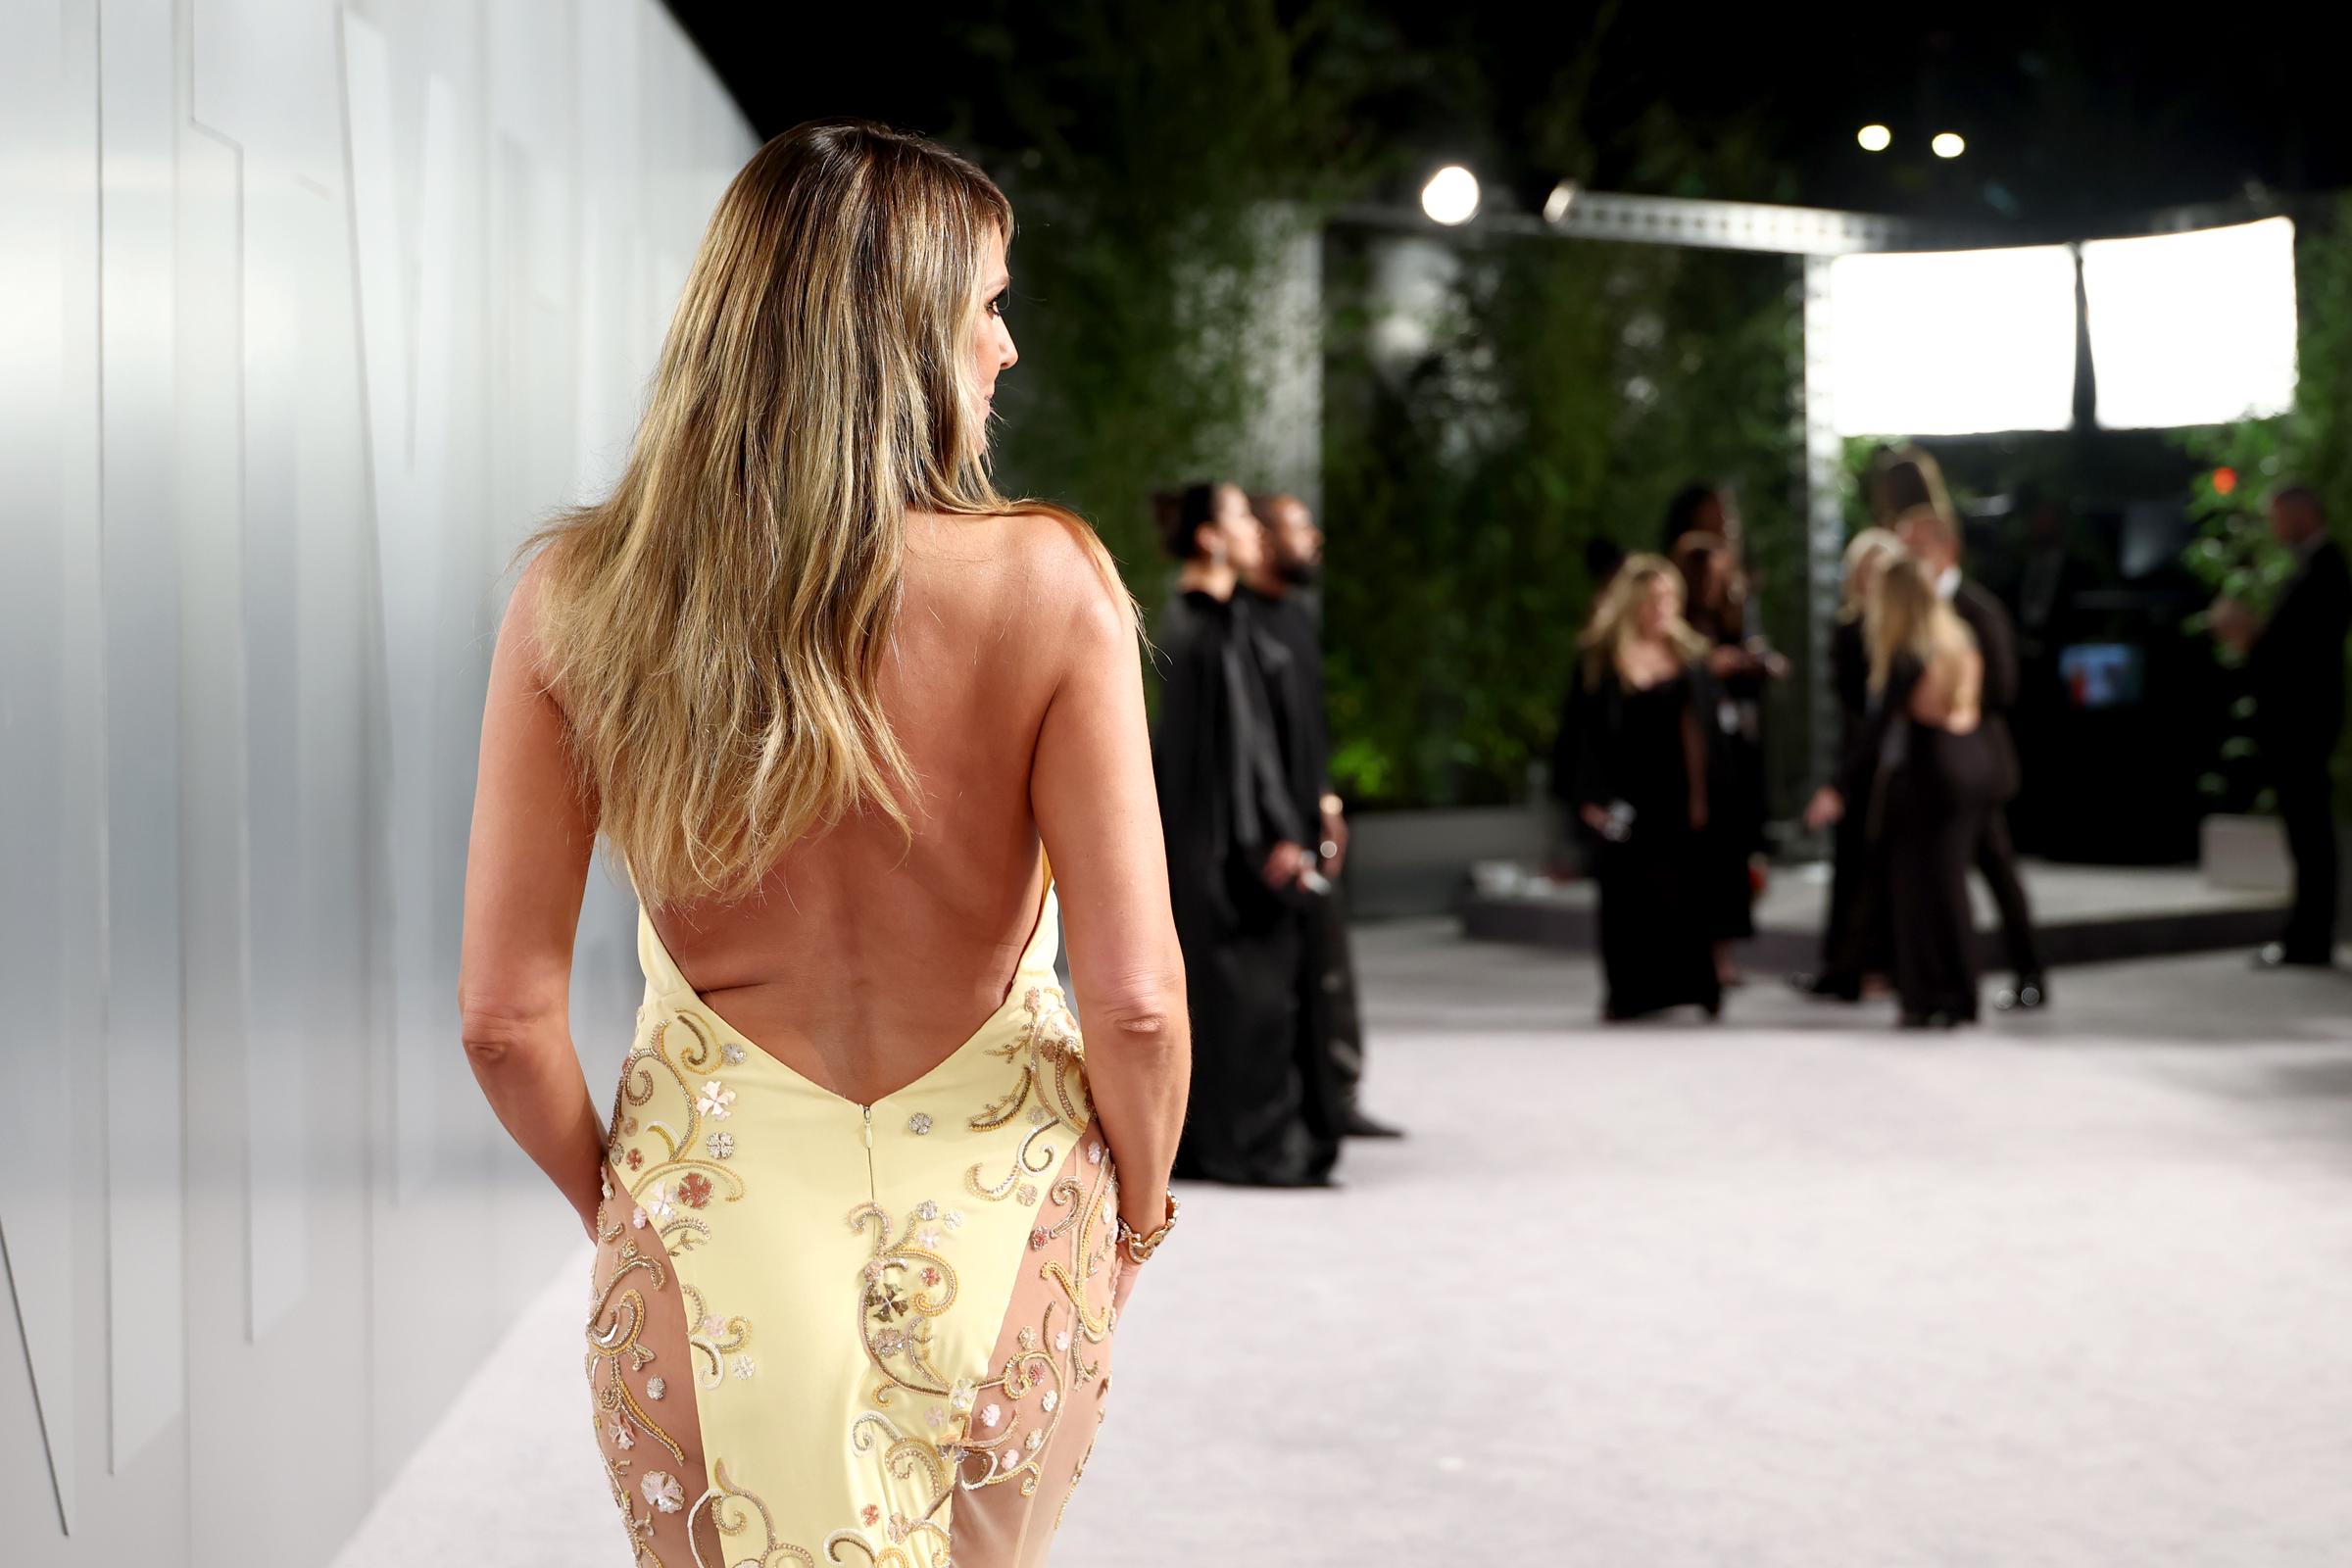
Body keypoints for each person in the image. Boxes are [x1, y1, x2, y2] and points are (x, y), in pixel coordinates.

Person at [457, 121, 1187, 1566]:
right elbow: (1139, 1005)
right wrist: (1141, 1217)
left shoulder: (578, 597)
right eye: (988, 304)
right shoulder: (1050, 587)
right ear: (902, 334)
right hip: (1006, 1234)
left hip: (706, 1244)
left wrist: (628, 1203)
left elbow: (502, 1022)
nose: (1007, 347)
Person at [1156, 481, 1343, 1187]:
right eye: (1240, 518)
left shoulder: (1208, 621)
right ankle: (1250, 1146)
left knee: (1234, 990)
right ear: (1209, 537)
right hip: (1225, 846)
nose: (1255, 532)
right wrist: (1273, 834)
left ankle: (1231, 1142)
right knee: (1243, 990)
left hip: (1214, 840)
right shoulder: (1206, 627)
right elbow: (1241, 750)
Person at [1242, 491, 1404, 1140]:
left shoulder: (1296, 618)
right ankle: (1287, 1105)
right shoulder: (1238, 624)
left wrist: (1327, 800)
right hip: (1264, 832)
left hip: (1306, 819)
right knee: (1273, 972)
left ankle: (1337, 1095)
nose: (1313, 537)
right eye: (1299, 526)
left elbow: (1309, 729)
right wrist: (1276, 826)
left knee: (1328, 963)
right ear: (1261, 537)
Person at [1807, 548, 2003, 1027]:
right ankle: (1956, 993)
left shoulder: (1909, 650)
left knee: (1918, 889)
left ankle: (1929, 994)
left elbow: (1878, 730)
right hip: (1972, 759)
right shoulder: (1957, 637)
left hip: (1930, 768)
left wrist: (1837, 786)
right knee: (1949, 885)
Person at [1888, 458, 2049, 1012]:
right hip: (1946, 762)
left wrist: (1951, 701)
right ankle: (1961, 979)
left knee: (1990, 874)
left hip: (1974, 760)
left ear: (1945, 551)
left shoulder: (1976, 609)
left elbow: (2004, 688)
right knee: (1963, 876)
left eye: (1916, 549)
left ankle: (2018, 975)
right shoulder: (1918, 610)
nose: (1908, 559)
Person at [1551, 554, 1724, 1022]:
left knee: (1684, 893)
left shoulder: (1691, 657)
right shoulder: (1599, 659)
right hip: (1623, 796)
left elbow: (1705, 737)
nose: (1662, 608)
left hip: (1677, 796)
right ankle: (1631, 993)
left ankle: (1691, 987)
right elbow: (1579, 735)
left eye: (1669, 598)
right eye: (1652, 600)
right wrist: (1588, 799)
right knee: (1626, 896)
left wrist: (1705, 798)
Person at [2212, 484, 2351, 968]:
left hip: (2305, 722)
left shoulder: (2325, 569)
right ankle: (2305, 936)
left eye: (2277, 516)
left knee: (2310, 832)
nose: (2273, 527)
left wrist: (2250, 637)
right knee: (2306, 831)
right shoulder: (2314, 567)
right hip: (2302, 720)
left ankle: (2309, 938)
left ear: (2302, 513)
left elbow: (2300, 655)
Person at [1789, 526, 1904, 1002]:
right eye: (1865, 570)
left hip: (1897, 760)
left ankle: (1887, 966)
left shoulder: (1907, 632)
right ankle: (1845, 966)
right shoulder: (1849, 629)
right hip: (1860, 758)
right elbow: (1854, 709)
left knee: (1892, 865)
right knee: (1852, 862)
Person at [1669, 521, 1786, 987]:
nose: (1722, 582)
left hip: (1734, 751)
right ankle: (1694, 958)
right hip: (1695, 755)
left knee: (1735, 854)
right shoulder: (1678, 626)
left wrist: (1753, 664)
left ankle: (1723, 957)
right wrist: (1706, 670)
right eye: (1715, 574)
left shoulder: (1731, 617)